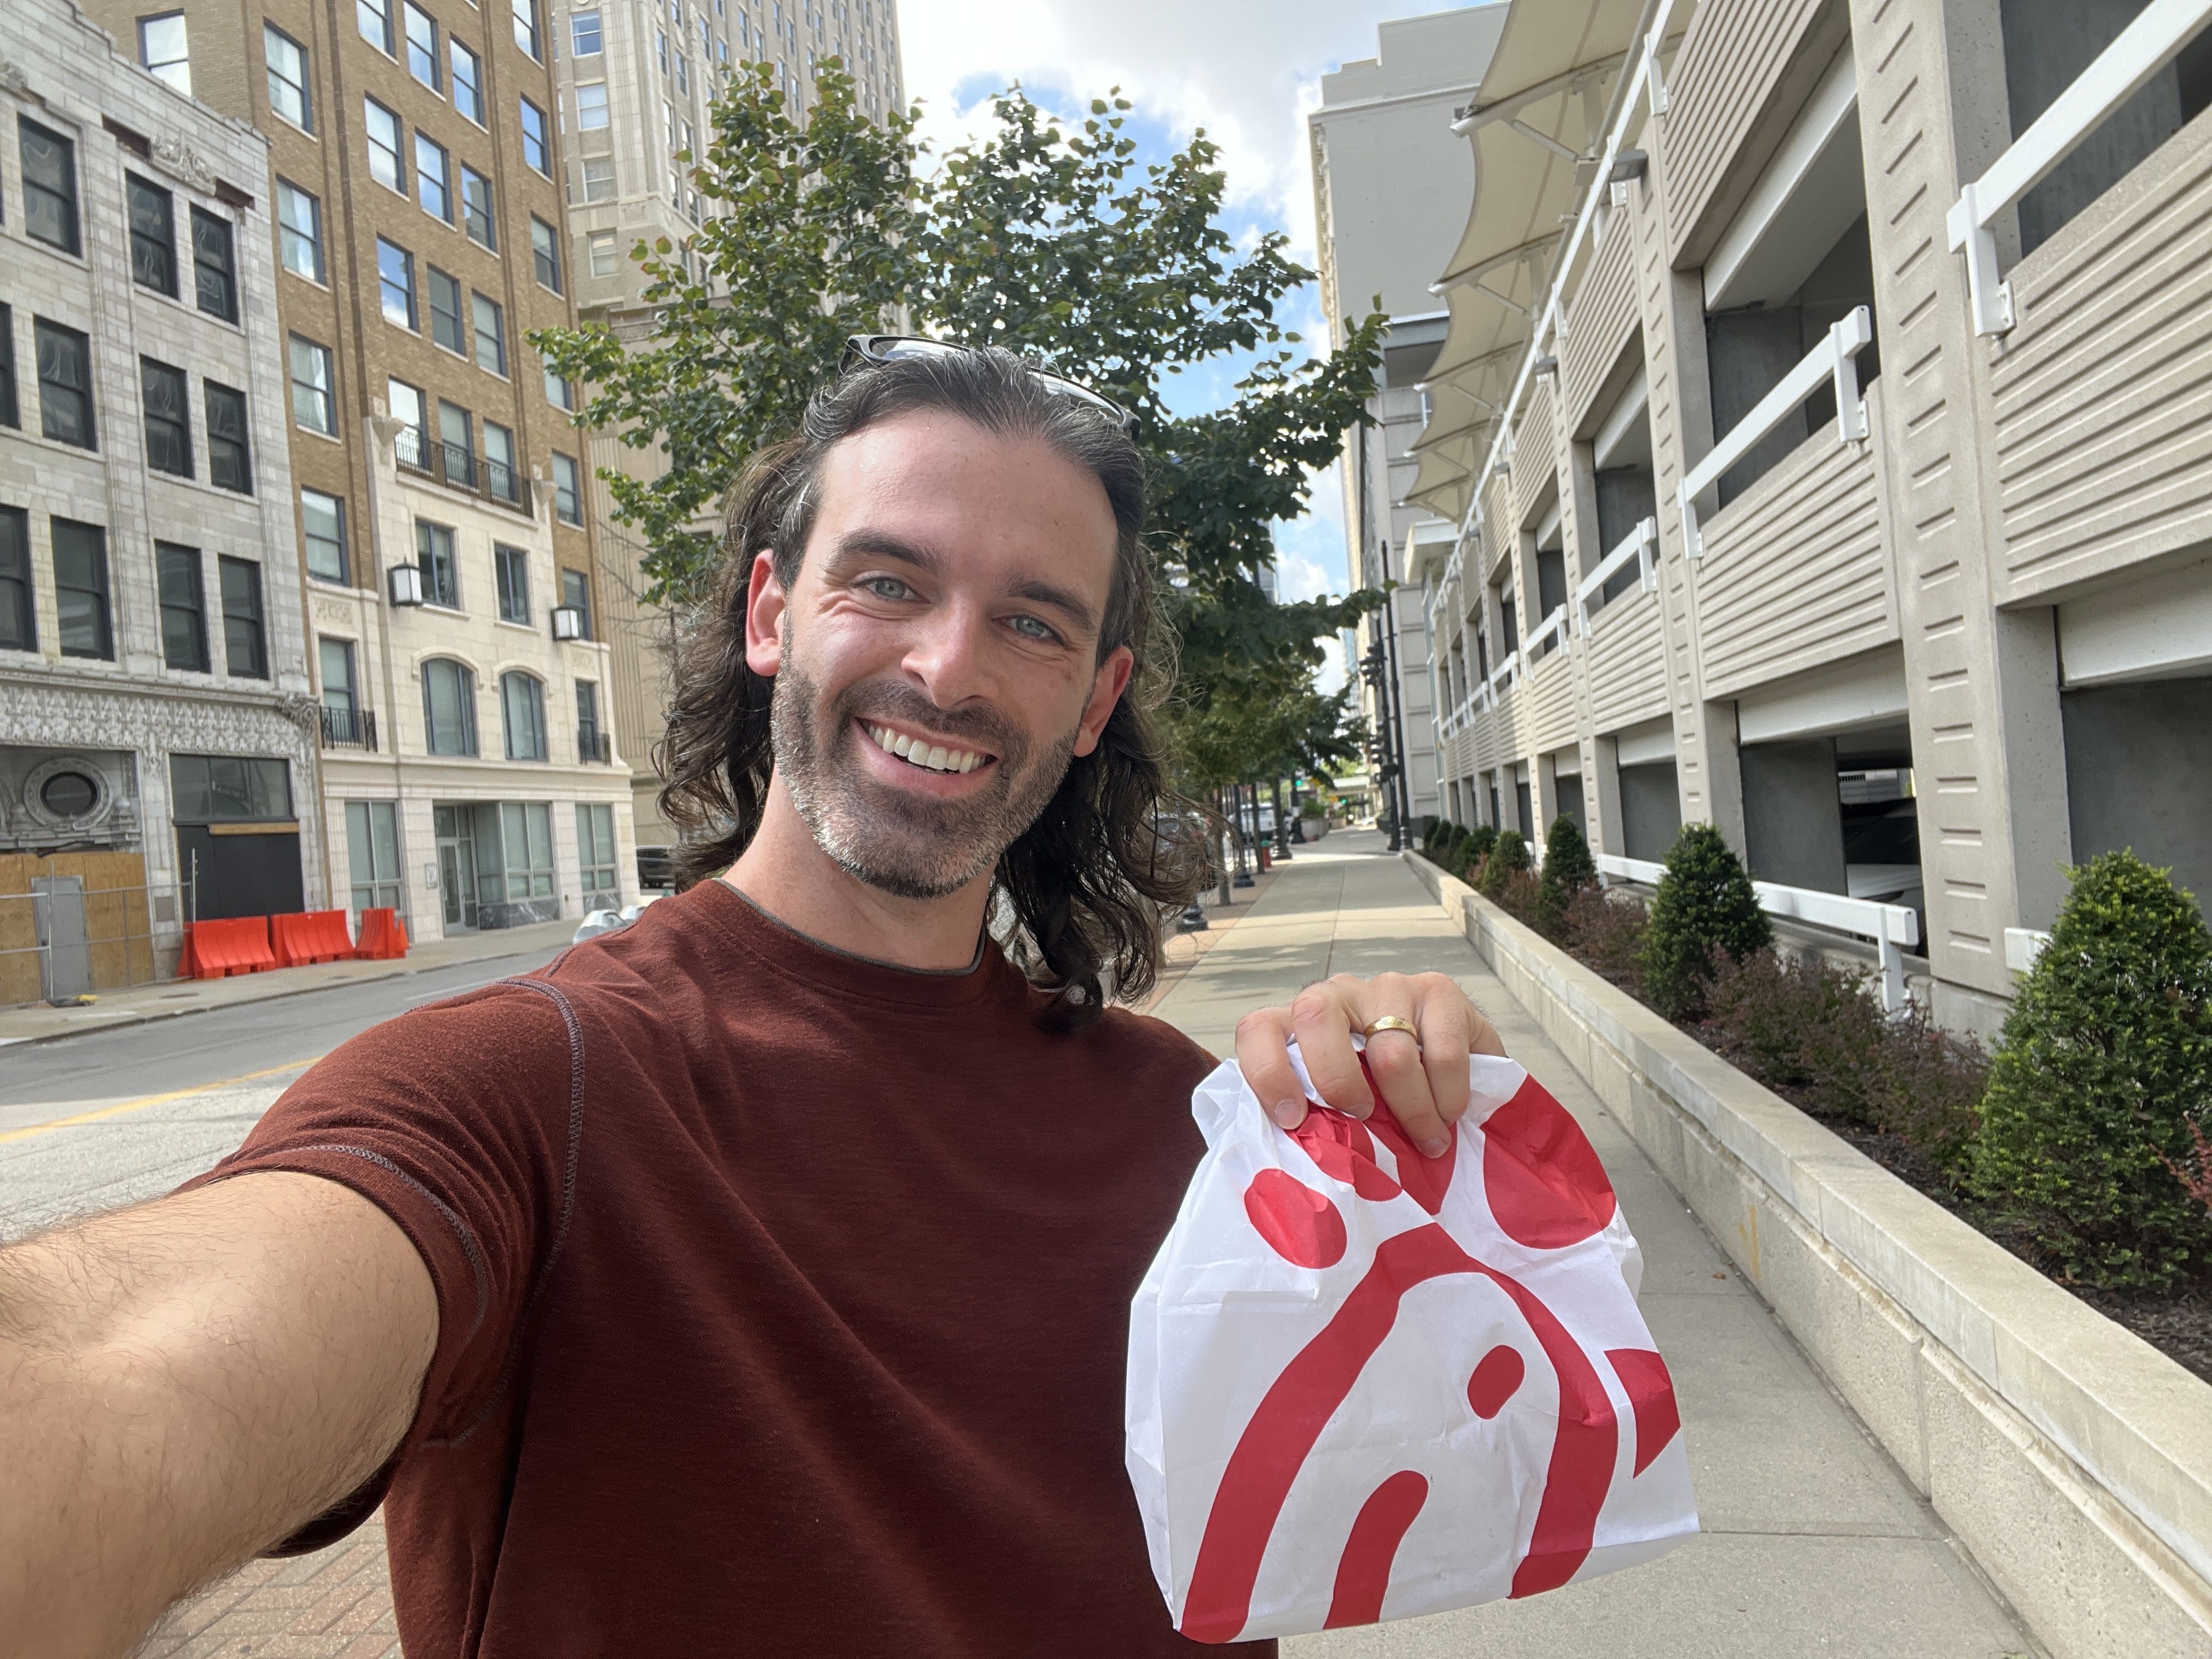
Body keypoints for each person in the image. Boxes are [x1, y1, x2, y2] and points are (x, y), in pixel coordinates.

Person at [0, 342, 1502, 1658]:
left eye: (1033, 623)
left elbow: (1442, 1457)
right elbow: (117, 1368)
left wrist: (1413, 1144)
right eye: (890, 582)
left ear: (1096, 701)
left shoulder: (1185, 1126)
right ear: (774, 611)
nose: (946, 665)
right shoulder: (536, 1094)